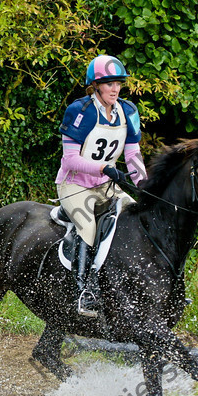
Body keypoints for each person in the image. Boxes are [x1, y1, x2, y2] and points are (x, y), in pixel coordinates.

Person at [55, 54, 147, 317]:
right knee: (88, 225)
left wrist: (144, 185)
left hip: (107, 186)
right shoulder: (79, 111)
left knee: (137, 219)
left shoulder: (128, 111)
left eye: (118, 83)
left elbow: (132, 155)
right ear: (95, 86)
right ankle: (83, 292)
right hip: (75, 186)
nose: (115, 89)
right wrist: (104, 168)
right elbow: (70, 159)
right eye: (109, 84)